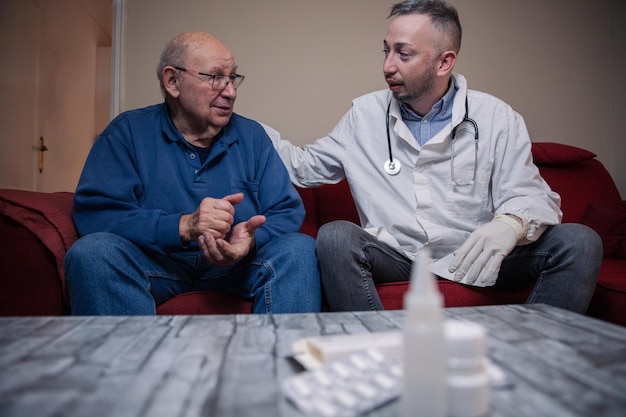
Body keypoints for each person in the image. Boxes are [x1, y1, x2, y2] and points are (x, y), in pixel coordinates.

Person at [266, 0, 602, 313]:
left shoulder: (496, 116)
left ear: (444, 61)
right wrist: (241, 126)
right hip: (399, 256)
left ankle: (536, 358)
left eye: (404, 54)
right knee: (336, 236)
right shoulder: (364, 114)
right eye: (386, 51)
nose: (387, 66)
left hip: (479, 258)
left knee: (580, 242)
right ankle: (375, 353)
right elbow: (303, 167)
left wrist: (510, 225)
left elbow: (533, 195)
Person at [64, 32, 321, 315]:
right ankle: (133, 360)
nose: (230, 91)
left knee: (299, 249)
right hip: (157, 264)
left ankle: (282, 359)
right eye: (215, 77)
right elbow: (98, 213)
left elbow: (286, 210)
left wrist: (247, 244)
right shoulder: (128, 132)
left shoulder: (253, 137)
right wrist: (184, 226)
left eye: (232, 78)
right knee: (92, 253)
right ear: (172, 81)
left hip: (236, 269)